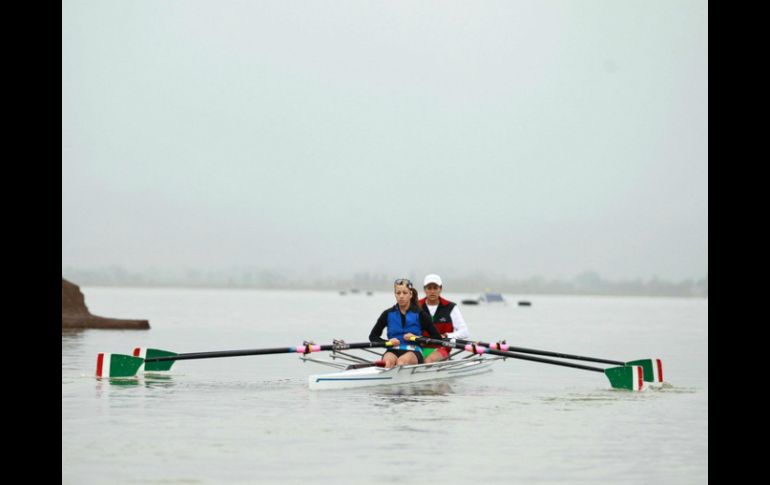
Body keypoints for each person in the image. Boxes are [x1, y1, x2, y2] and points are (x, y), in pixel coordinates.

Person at [369, 278, 443, 368]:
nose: (401, 296)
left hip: (414, 351)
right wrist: (387, 342)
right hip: (392, 350)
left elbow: (437, 338)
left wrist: (417, 338)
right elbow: (373, 336)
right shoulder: (387, 314)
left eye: (404, 293)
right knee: (388, 362)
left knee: (401, 361)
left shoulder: (420, 314)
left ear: (410, 294)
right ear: (395, 295)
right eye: (398, 293)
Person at [419, 274, 470, 363]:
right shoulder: (416, 306)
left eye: (435, 288)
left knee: (428, 360)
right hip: (419, 347)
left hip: (441, 347)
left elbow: (465, 332)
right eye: (429, 288)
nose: (432, 291)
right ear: (424, 289)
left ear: (440, 289)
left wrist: (447, 336)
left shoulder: (450, 307)